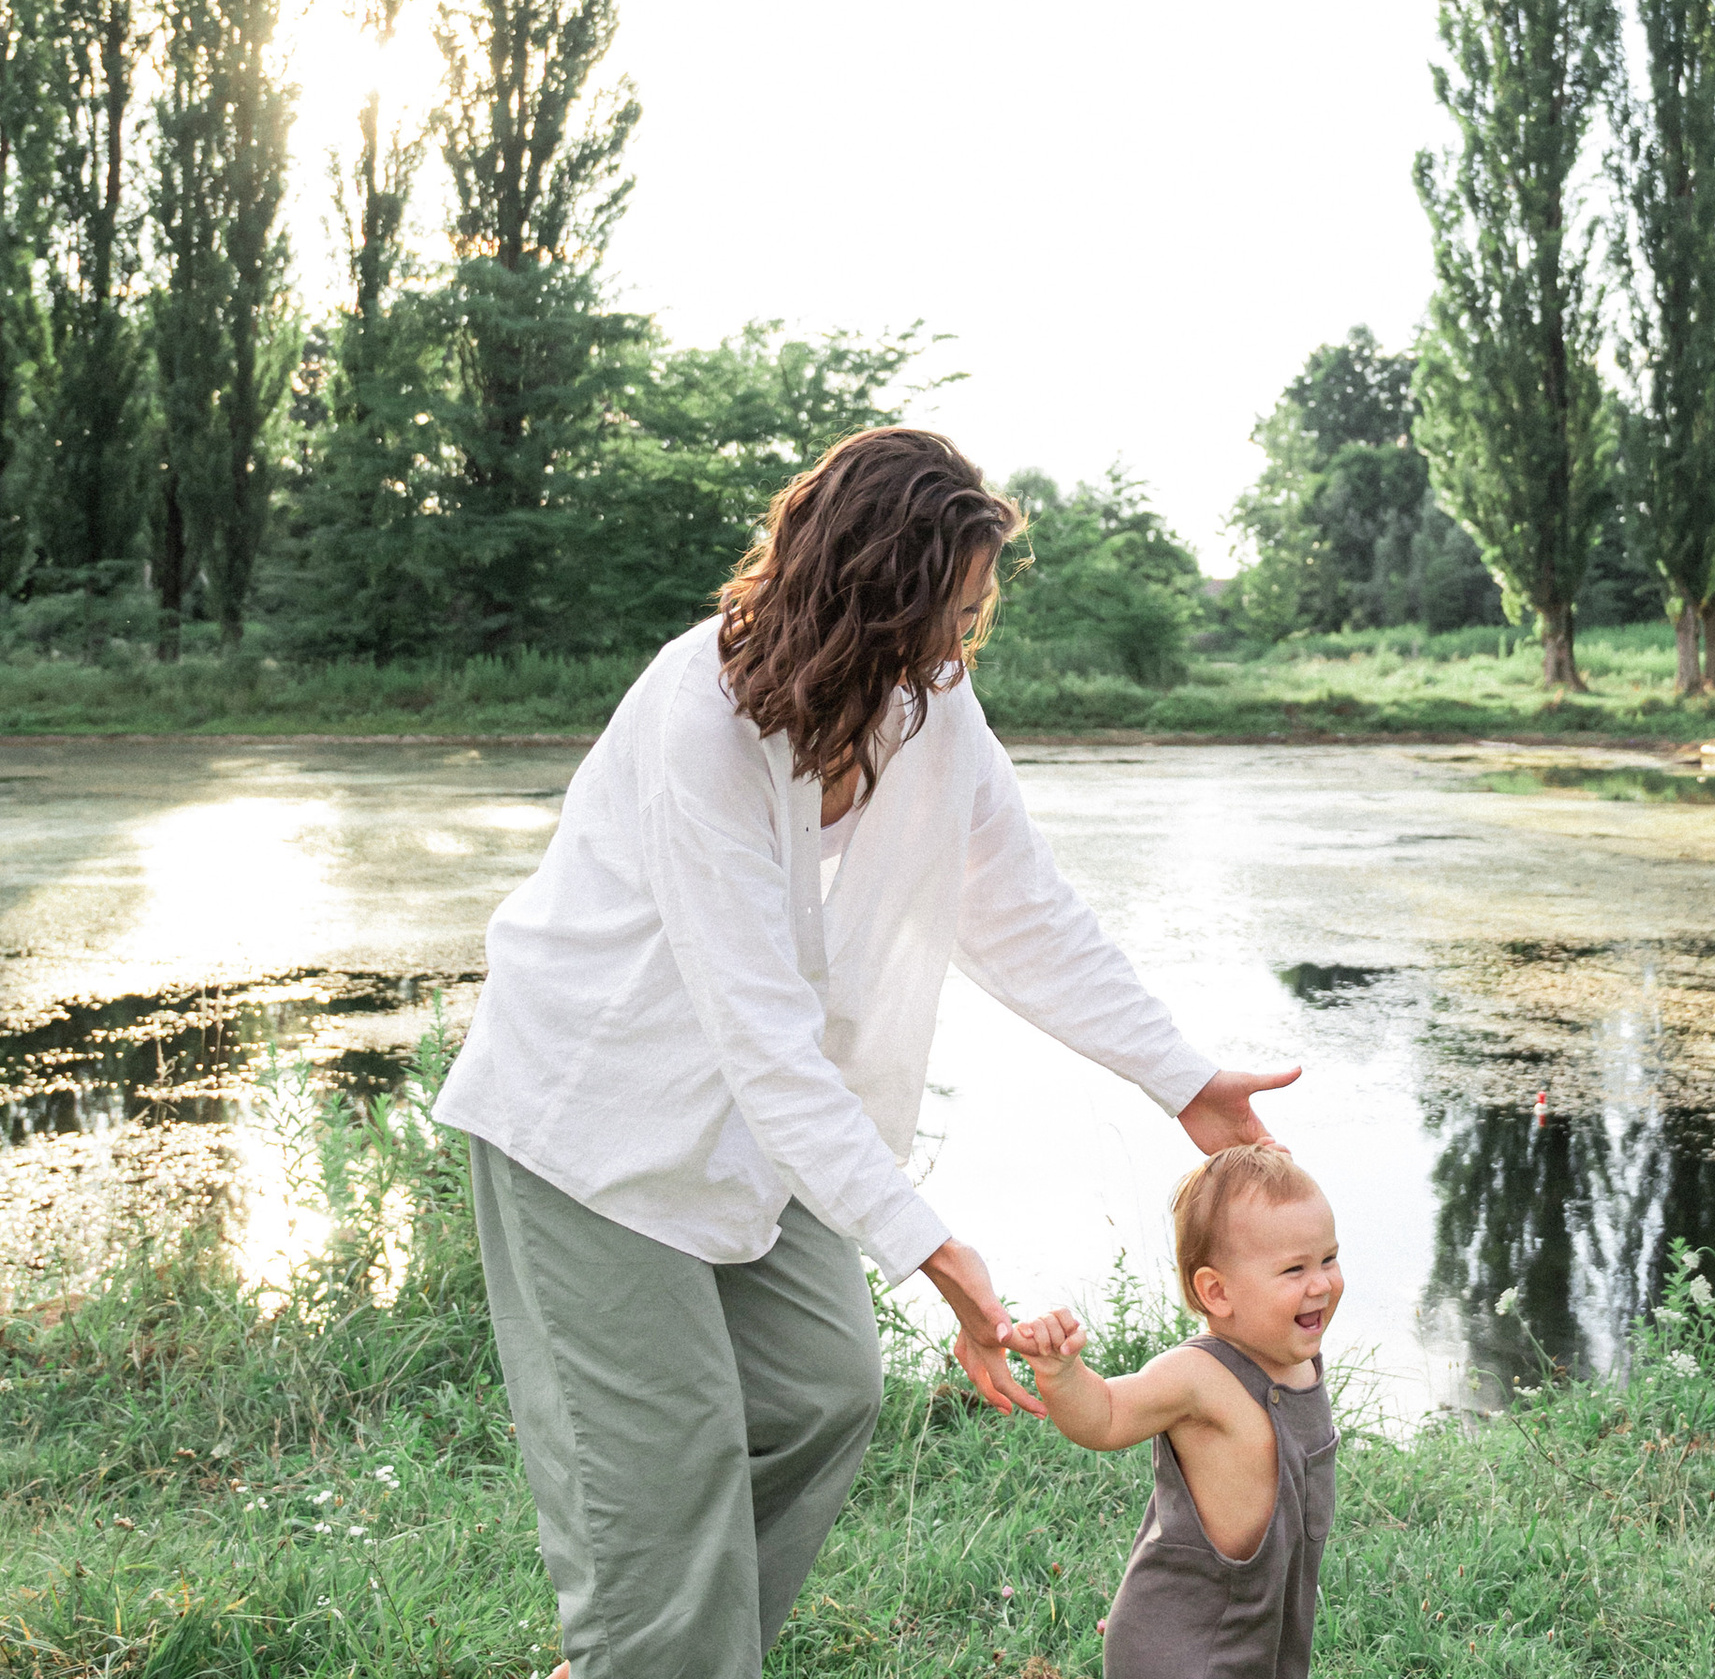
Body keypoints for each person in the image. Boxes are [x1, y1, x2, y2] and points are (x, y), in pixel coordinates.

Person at [430, 425, 1297, 1679]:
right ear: (868, 592)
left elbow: (1022, 905)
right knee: (665, 1490)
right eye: (948, 610)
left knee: (821, 1394)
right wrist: (935, 1253)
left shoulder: (925, 705)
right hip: (593, 1130)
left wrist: (1180, 1075)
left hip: (757, 1137)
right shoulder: (700, 716)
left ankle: (661, 1651)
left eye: (974, 612)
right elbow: (765, 1042)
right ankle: (657, 1650)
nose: (961, 640)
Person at [1014, 1144, 1344, 1679]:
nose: (1322, 1283)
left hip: (1266, 1635)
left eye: (1329, 1258)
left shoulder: (1298, 1364)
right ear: (1217, 1291)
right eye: (1293, 1269)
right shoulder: (1197, 1376)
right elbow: (1105, 1416)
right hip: (1180, 1647)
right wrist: (1062, 1374)